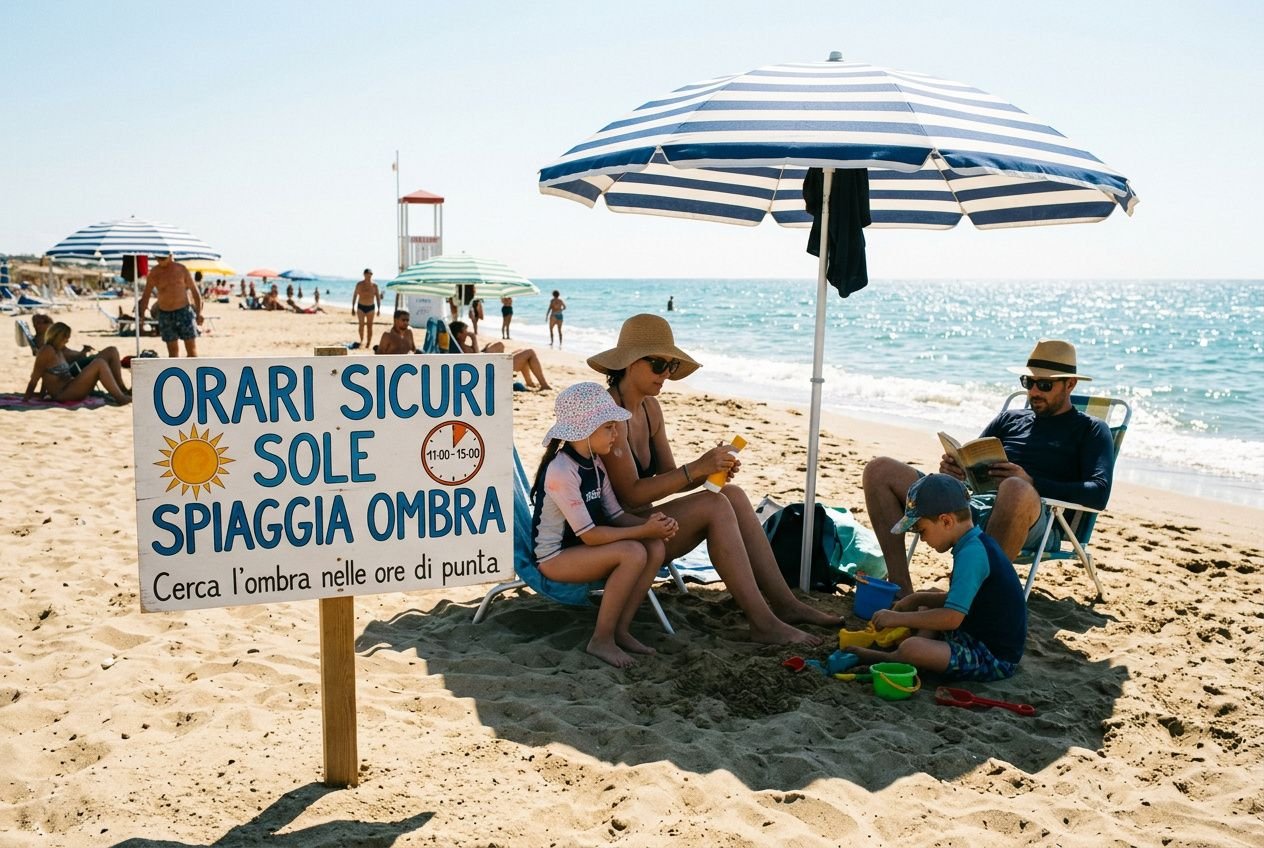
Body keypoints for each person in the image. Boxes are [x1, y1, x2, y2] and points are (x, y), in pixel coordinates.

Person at [588, 313, 838, 645]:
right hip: (614, 534)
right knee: (715, 505)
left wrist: (710, 468)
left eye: (672, 367)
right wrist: (696, 469)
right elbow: (631, 495)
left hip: (644, 525)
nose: (667, 374)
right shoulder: (609, 414)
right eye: (659, 365)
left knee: (730, 493)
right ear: (630, 363)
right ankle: (763, 622)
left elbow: (670, 477)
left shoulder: (650, 409)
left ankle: (785, 605)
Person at [862, 338, 1115, 596]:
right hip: (972, 505)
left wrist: (1032, 482)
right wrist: (955, 471)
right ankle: (900, 586)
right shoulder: (1010, 419)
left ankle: (973, 596)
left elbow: (1098, 493)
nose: (1034, 392)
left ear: (1070, 384)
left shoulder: (1092, 430)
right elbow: (972, 462)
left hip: (1036, 519)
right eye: (1029, 383)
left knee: (1014, 487)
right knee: (879, 470)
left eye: (1045, 385)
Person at [532, 382, 678, 668]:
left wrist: (652, 525)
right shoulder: (562, 471)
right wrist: (642, 530)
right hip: (555, 556)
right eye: (609, 427)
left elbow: (613, 514)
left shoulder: (595, 464)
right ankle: (601, 638)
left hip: (581, 548)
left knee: (653, 546)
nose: (617, 433)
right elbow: (590, 536)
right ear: (585, 431)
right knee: (633, 552)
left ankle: (620, 630)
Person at [846, 474, 1027, 682]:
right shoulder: (974, 543)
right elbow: (969, 600)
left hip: (992, 657)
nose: (922, 539)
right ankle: (918, 650)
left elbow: (952, 618)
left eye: (922, 530)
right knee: (928, 598)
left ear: (946, 521)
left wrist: (897, 618)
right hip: (975, 632)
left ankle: (894, 659)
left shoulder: (972, 554)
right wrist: (916, 598)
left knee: (912, 648)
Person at [24, 321, 131, 404]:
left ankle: (122, 392)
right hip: (63, 393)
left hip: (71, 386)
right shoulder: (47, 350)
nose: (67, 340)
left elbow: (46, 376)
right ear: (56, 336)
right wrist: (25, 400)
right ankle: (120, 398)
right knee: (99, 363)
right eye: (65, 337)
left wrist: (42, 395)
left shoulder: (58, 351)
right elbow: (35, 378)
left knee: (107, 355)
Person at [450, 320, 552, 389]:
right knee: (530, 352)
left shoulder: (460, 345)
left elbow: (476, 355)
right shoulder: (462, 347)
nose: (468, 333)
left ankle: (530, 383)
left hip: (488, 364)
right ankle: (544, 385)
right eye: (465, 331)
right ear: (459, 334)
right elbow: (477, 359)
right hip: (491, 369)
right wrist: (473, 338)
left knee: (521, 351)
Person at [138, 253, 204, 357]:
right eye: (159, 256)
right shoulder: (154, 273)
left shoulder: (181, 269)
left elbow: (195, 292)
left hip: (184, 311)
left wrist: (199, 312)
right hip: (165, 314)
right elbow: (146, 296)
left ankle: (192, 371)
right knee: (173, 352)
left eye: (163, 256)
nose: (161, 259)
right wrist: (141, 316)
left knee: (191, 350)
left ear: (170, 255)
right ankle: (176, 372)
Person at [30, 313, 125, 375]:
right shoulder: (44, 342)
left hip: (76, 362)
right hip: (74, 366)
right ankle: (121, 388)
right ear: (37, 325)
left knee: (111, 352)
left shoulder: (48, 339)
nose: (51, 324)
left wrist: (82, 352)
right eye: (47, 322)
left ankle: (120, 389)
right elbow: (62, 360)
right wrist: (82, 354)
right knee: (112, 352)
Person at [351, 268, 381, 349]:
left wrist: (379, 309)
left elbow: (378, 298)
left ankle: (368, 343)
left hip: (371, 307)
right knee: (361, 325)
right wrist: (352, 307)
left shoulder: (375, 286)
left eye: (371, 274)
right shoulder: (359, 284)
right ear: (364, 274)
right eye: (367, 274)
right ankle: (361, 340)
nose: (369, 275)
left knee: (369, 326)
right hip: (361, 307)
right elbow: (355, 296)